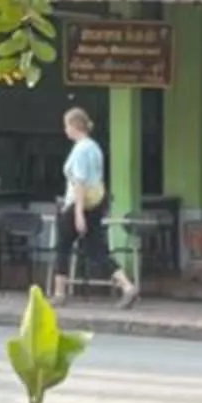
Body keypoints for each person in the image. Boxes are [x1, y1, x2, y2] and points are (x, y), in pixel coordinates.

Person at [54, 106, 130, 305]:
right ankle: (127, 285)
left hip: (78, 204)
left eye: (66, 126)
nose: (65, 130)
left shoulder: (80, 150)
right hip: (96, 202)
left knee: (63, 245)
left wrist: (78, 212)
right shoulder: (94, 147)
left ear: (74, 126)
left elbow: (79, 182)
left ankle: (59, 292)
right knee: (97, 248)